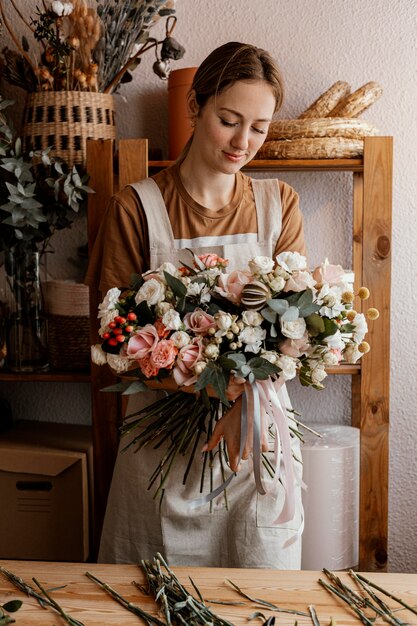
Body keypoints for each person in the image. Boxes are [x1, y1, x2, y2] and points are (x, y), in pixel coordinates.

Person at [86, 41, 307, 568]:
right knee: (155, 598)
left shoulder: (280, 205)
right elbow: (114, 340)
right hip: (163, 459)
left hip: (257, 449)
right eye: (229, 120)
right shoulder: (136, 208)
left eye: (259, 126)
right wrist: (211, 383)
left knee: (260, 600)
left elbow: (297, 329)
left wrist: (243, 402)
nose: (243, 142)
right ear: (196, 106)